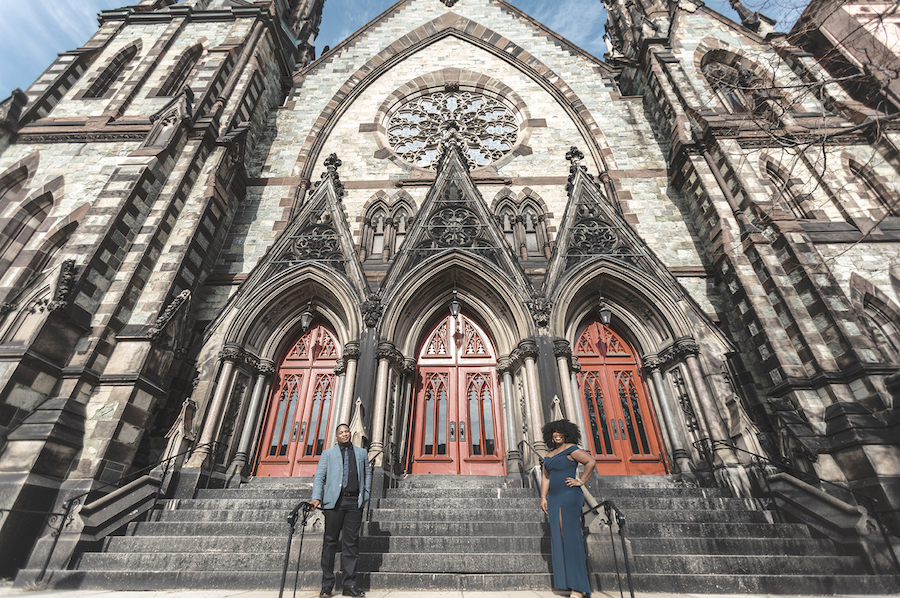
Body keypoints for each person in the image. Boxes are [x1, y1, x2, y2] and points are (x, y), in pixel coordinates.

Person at [310, 423, 371, 598]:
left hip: (353, 503)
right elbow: (320, 476)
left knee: (351, 545)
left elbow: (367, 476)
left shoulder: (361, 453)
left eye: (346, 432)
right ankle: (327, 586)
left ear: (350, 434)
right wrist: (316, 497)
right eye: (341, 432)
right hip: (334, 503)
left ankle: (349, 585)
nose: (344, 434)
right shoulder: (328, 454)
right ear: (336, 437)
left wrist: (364, 497)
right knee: (330, 542)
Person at [540, 419, 596, 598]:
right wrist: (543, 497)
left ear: (566, 433)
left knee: (569, 535)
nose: (557, 435)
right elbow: (546, 478)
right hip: (554, 497)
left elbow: (590, 462)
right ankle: (567, 582)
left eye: (560, 432)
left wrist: (581, 481)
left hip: (569, 495)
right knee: (559, 536)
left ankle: (578, 588)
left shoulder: (572, 449)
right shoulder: (548, 454)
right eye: (554, 432)